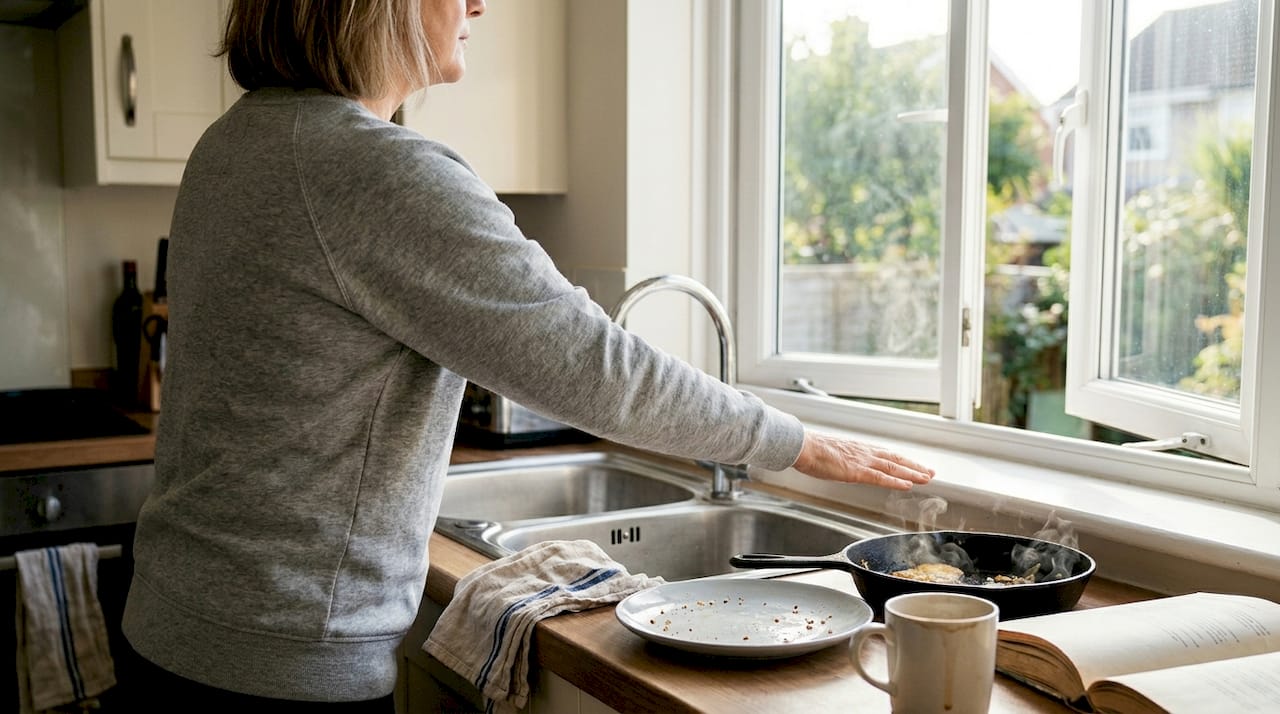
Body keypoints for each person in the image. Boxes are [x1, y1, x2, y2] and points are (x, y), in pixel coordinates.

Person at [120, 0, 935, 710]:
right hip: (275, 665)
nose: (480, 2)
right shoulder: (372, 170)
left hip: (176, 627)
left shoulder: (236, 142)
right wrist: (798, 443)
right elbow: (595, 370)